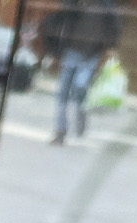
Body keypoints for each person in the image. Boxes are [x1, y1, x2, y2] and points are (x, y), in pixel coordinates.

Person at [40, 0, 119, 142]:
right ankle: (60, 131)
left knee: (80, 86)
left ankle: (81, 115)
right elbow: (58, 20)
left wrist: (111, 47)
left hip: (91, 54)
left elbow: (113, 26)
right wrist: (55, 48)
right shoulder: (73, 3)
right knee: (62, 93)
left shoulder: (105, 5)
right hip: (71, 51)